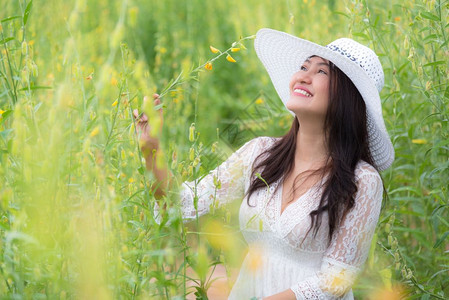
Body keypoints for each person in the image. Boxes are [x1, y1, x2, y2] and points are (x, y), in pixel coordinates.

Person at [135, 28, 395, 299]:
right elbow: (180, 203)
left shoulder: (362, 180)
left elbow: (335, 281)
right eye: (304, 66)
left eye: (321, 72)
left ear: (347, 98)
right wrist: (151, 151)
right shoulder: (261, 154)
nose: (302, 76)